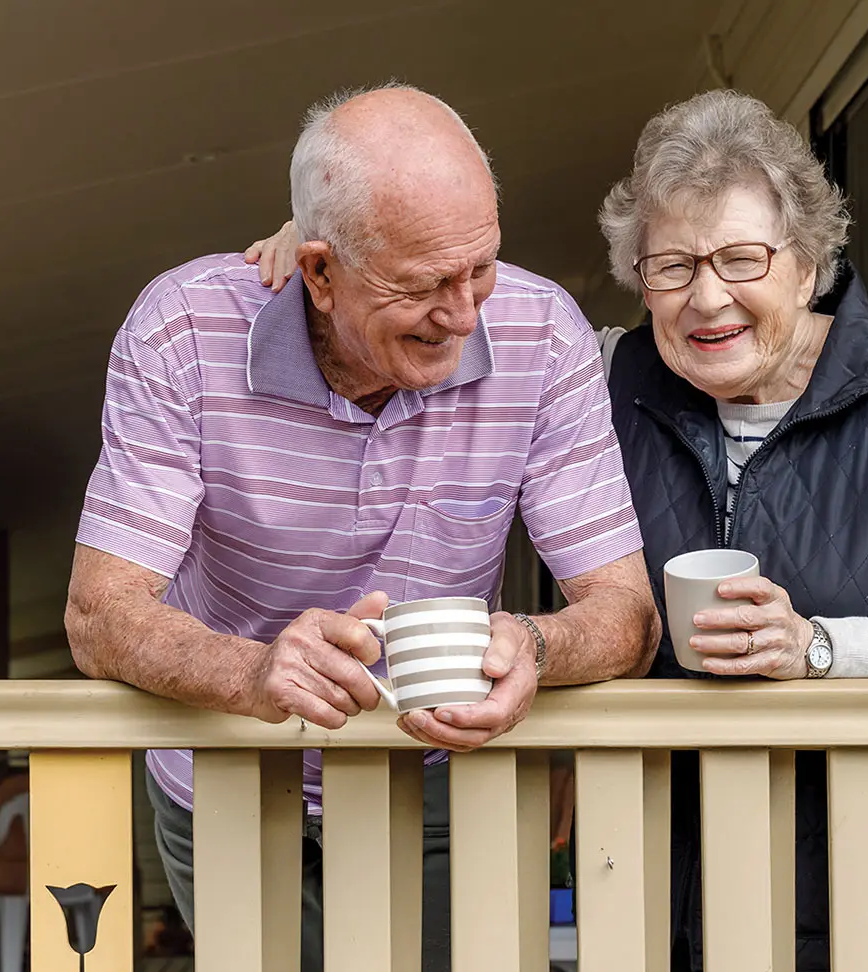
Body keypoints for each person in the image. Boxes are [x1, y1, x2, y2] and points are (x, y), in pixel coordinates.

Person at [242, 88, 868, 971]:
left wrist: (814, 647)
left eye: (741, 259)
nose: (707, 298)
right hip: (640, 884)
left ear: (807, 264)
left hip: (850, 892)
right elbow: (433, 280)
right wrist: (328, 265)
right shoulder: (608, 374)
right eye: (673, 267)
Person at [65, 83, 661, 972]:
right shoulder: (183, 329)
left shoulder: (541, 334)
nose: (465, 315)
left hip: (438, 777)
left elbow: (627, 614)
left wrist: (536, 649)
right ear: (318, 272)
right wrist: (255, 671)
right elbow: (99, 615)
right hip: (226, 771)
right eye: (424, 286)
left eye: (482, 269)